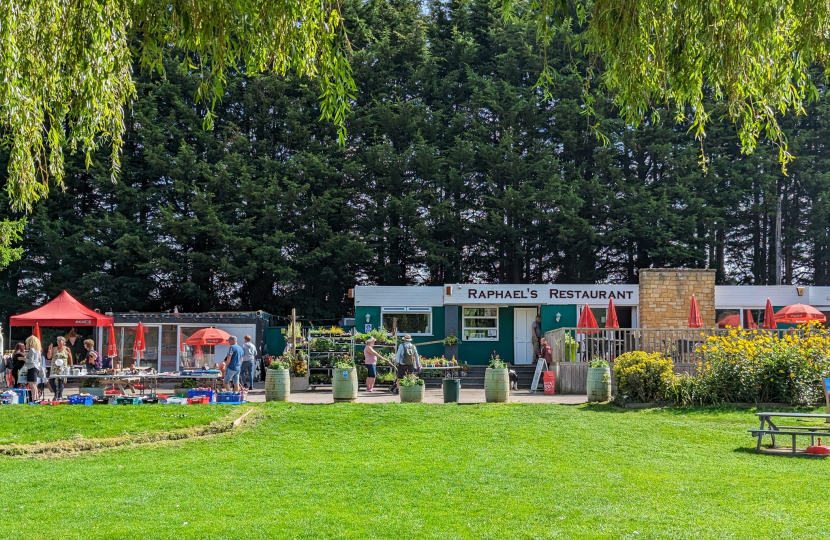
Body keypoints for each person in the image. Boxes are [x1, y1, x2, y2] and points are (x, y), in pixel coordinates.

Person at [24, 335, 43, 401]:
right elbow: (40, 360)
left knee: (32, 385)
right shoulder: (38, 350)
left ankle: (34, 399)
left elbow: (31, 360)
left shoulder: (32, 350)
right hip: (36, 367)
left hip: (32, 367)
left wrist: (24, 359)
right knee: (34, 385)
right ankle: (36, 398)